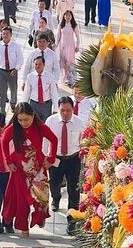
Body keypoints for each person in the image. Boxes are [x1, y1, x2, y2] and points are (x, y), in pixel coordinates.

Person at [1, 103, 57, 236]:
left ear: (33, 115)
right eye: (20, 120)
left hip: (38, 169)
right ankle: (23, 227)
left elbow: (54, 140)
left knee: (41, 198)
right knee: (21, 201)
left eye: (26, 119)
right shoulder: (14, 128)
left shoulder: (40, 127)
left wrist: (51, 159)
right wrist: (8, 161)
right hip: (19, 170)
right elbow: (4, 141)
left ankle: (40, 217)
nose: (23, 123)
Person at [46, 96, 84, 233]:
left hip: (73, 159)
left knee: (74, 190)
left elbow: (83, 141)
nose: (65, 113)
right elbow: (45, 141)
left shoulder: (79, 123)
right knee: (54, 184)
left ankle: (72, 220)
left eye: (68, 110)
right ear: (58, 109)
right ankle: (56, 199)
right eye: (62, 110)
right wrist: (45, 158)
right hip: (55, 159)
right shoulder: (51, 121)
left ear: (73, 109)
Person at [0, 26, 23, 112]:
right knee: (2, 92)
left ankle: (13, 104)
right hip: (1, 71)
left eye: (7, 34)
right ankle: (2, 110)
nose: (5, 35)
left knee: (13, 90)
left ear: (11, 35)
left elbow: (20, 59)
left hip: (12, 72)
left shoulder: (16, 46)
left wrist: (16, 69)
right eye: (3, 33)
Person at [22, 56, 59, 122]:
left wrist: (55, 109)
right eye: (36, 64)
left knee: (46, 123)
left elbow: (54, 93)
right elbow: (27, 92)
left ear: (44, 65)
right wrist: (24, 106)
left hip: (46, 105)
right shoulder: (30, 76)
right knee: (34, 123)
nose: (37, 66)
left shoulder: (50, 77)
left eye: (40, 64)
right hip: (34, 105)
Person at [56, 11, 81, 86]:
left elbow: (78, 37)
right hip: (62, 46)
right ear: (64, 16)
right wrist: (56, 45)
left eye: (69, 15)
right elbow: (58, 36)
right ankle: (65, 78)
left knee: (70, 62)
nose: (68, 17)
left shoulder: (74, 25)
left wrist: (77, 46)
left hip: (70, 47)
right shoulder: (61, 25)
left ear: (72, 17)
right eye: (66, 15)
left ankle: (71, 78)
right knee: (63, 62)